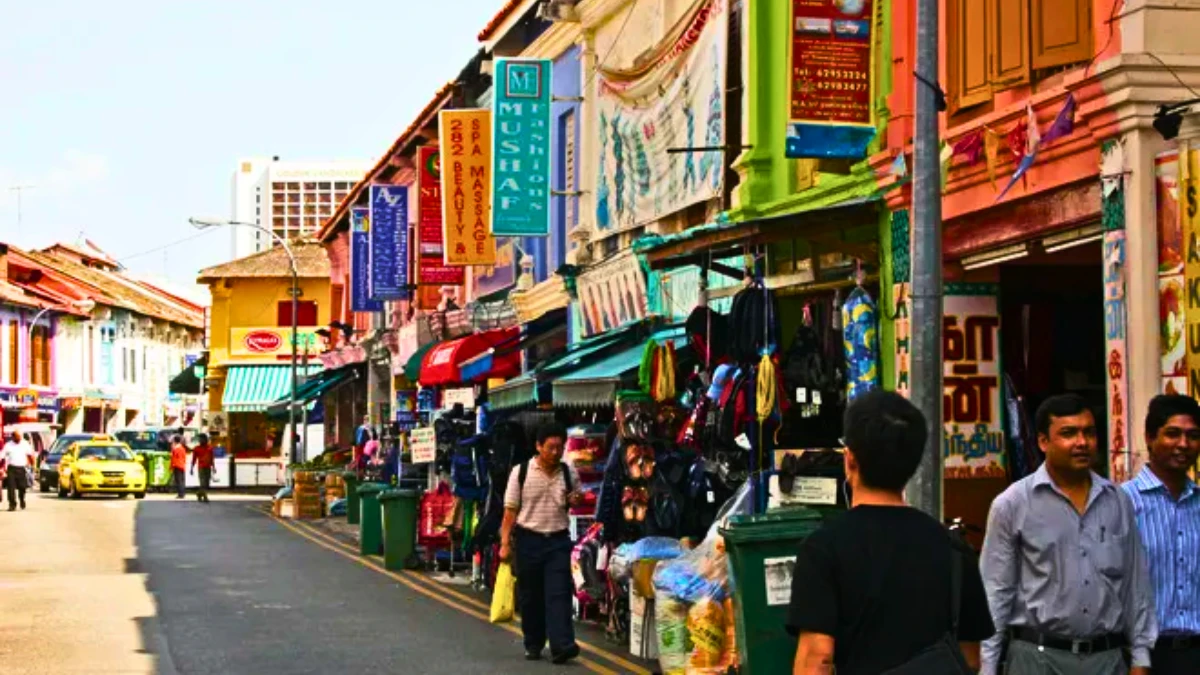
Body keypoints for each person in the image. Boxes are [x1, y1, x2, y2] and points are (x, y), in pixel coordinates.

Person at [787, 389, 994, 674]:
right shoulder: (954, 548)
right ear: (914, 463)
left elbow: (817, 658)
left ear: (850, 460)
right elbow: (970, 659)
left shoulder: (824, 547)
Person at [980, 393, 1155, 675]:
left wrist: (1141, 658)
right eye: (1068, 433)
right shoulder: (1012, 504)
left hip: (1106, 660)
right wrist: (987, 668)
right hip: (1037, 660)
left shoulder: (1117, 501)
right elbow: (995, 592)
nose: (1082, 442)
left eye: (1089, 432)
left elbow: (1136, 586)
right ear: (1043, 442)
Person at [1121, 394, 1200, 674]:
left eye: (1192, 436)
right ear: (1150, 438)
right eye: (1173, 434)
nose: (1183, 444)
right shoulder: (1122, 502)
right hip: (1141, 659)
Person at [499, 422, 583, 664]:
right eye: (551, 447)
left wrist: (575, 498)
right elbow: (510, 511)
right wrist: (505, 542)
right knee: (531, 596)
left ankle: (562, 646)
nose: (556, 452)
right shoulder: (521, 472)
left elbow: (576, 499)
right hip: (528, 541)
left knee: (559, 594)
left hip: (557, 541)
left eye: (560, 447)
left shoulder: (569, 472)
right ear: (538, 446)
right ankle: (533, 642)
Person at [1, 431, 34, 511]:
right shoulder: (8, 445)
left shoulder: (25, 444)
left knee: (22, 487)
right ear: (13, 437)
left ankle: (22, 499)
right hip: (11, 469)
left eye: (20, 437)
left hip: (21, 469)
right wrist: (2, 468)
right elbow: (2, 456)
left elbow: (30, 455)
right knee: (11, 488)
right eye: (17, 437)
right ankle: (12, 505)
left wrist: (32, 465)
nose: (19, 438)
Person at [190, 433, 215, 503]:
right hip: (201, 468)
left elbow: (212, 458)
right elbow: (194, 459)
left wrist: (214, 467)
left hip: (208, 467)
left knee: (207, 483)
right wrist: (191, 468)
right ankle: (205, 497)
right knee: (202, 483)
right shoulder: (196, 448)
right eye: (200, 439)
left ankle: (199, 493)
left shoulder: (210, 448)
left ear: (205, 440)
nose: (200, 440)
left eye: (202, 439)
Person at [169, 435, 188, 500]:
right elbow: (184, 457)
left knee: (178, 480)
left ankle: (180, 494)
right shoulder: (182, 448)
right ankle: (183, 493)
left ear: (175, 441)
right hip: (182, 465)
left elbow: (173, 458)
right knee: (182, 480)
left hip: (177, 465)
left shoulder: (175, 449)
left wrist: (171, 466)